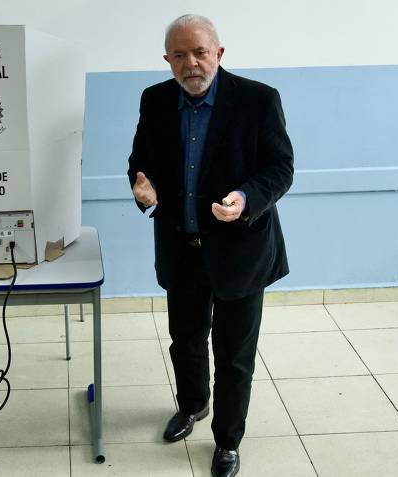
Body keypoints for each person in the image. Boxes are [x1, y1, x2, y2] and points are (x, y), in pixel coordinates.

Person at [127, 14, 294, 477]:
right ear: (167, 60)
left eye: (200, 52)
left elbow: (280, 169)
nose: (191, 63)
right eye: (179, 55)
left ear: (218, 53)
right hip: (181, 248)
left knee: (234, 355)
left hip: (241, 250)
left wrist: (245, 198)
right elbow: (141, 162)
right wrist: (143, 188)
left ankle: (227, 441)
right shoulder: (155, 100)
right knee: (185, 340)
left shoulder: (259, 100)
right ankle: (193, 406)